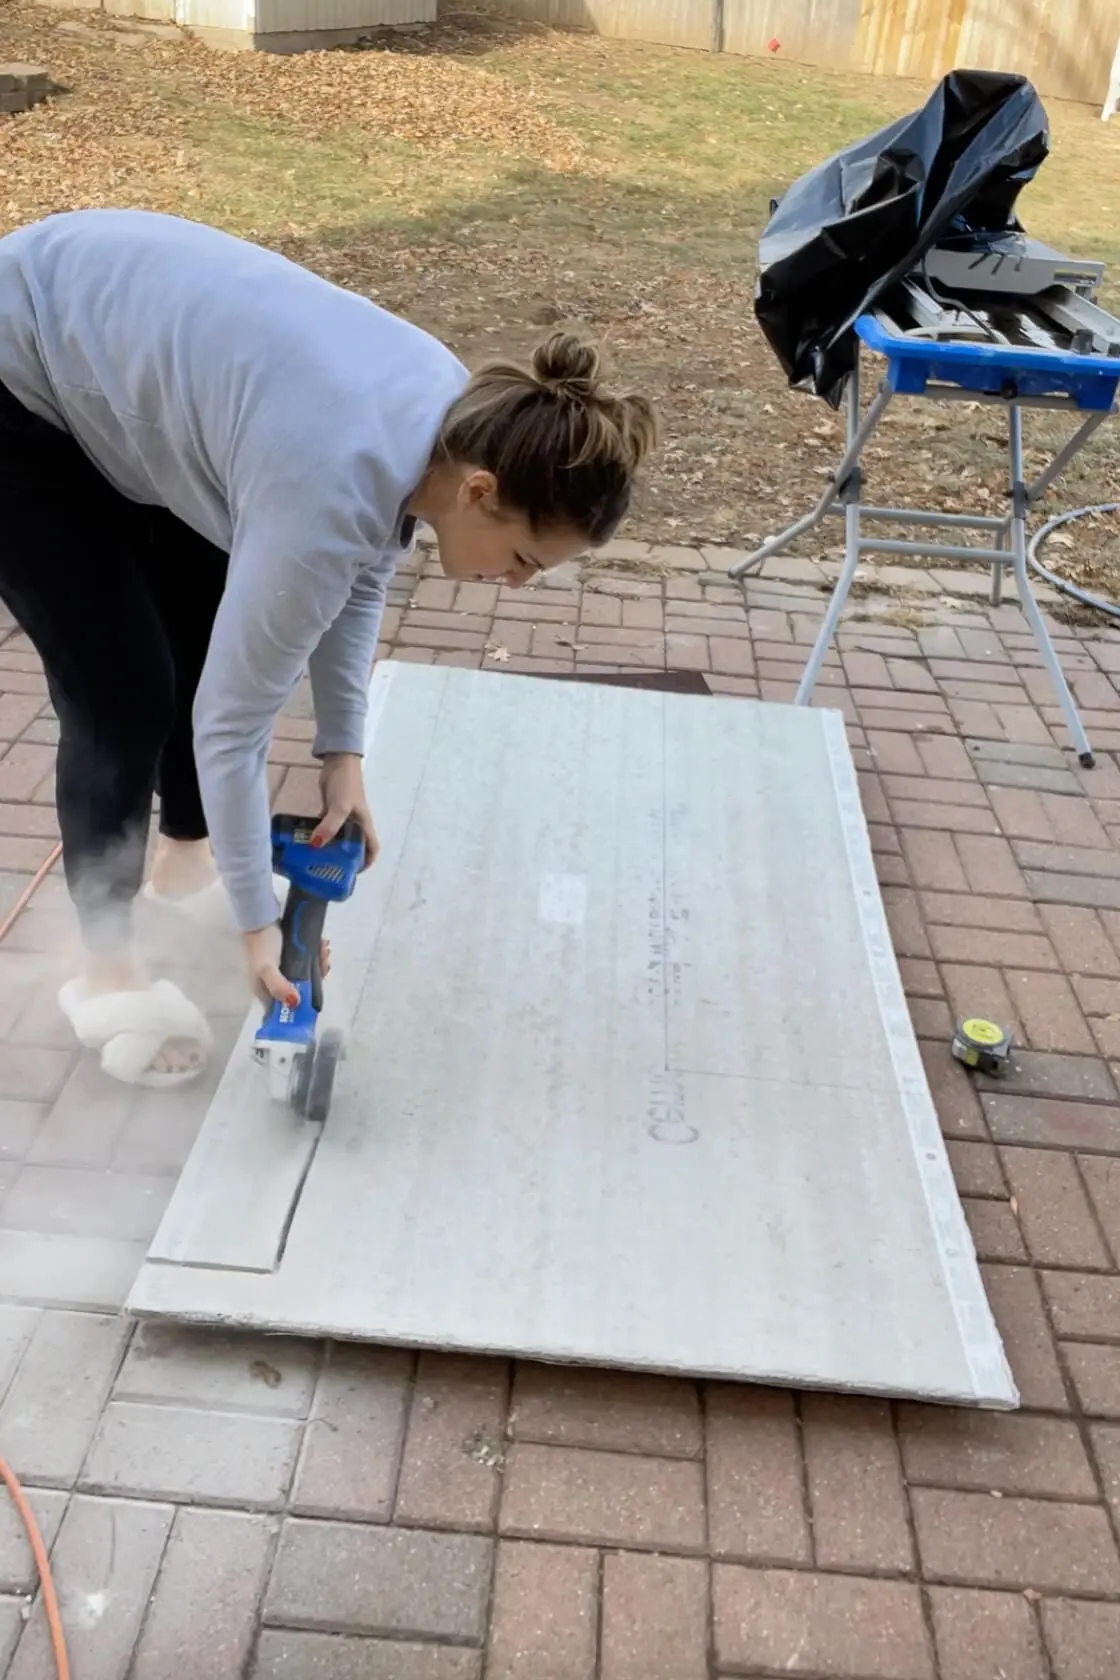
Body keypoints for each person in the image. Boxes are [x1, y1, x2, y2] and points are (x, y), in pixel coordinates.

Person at [0, 209, 656, 1089]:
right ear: (482, 489)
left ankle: (186, 857)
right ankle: (106, 969)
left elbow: (360, 570)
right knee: (123, 693)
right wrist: (256, 930)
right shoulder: (331, 480)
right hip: (19, 365)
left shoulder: (453, 416)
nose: (518, 586)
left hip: (120, 362)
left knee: (204, 622)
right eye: (526, 560)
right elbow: (232, 726)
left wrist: (342, 756)